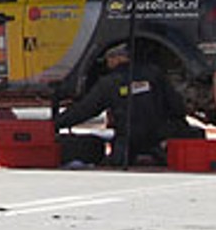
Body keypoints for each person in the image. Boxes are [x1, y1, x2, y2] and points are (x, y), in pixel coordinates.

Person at [55, 43, 199, 165]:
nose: (107, 64)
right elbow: (176, 106)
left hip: (130, 141)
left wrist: (56, 124)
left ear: (117, 58)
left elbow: (85, 110)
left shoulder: (109, 82)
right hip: (160, 137)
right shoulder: (154, 73)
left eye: (108, 59)